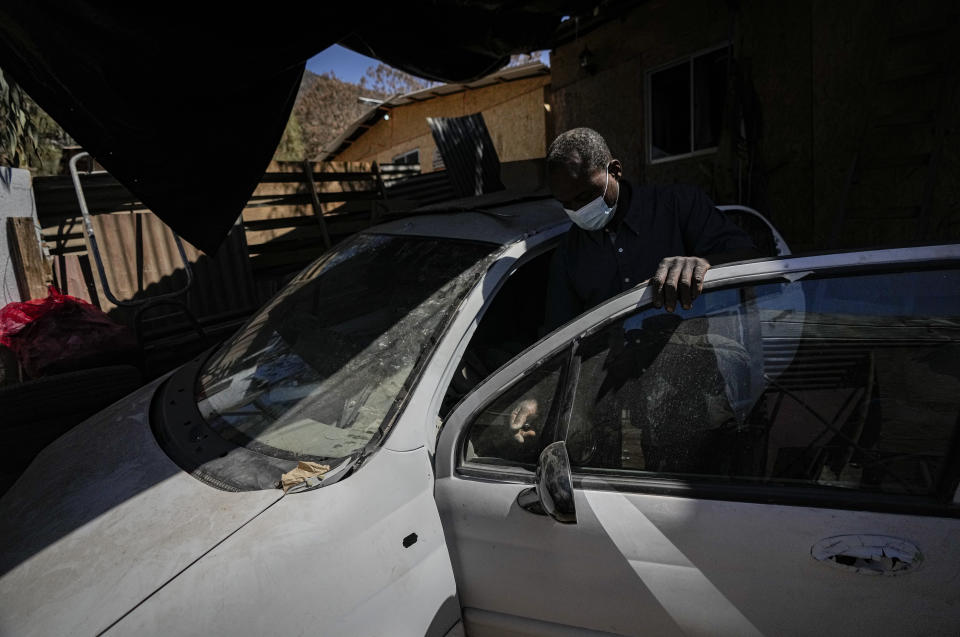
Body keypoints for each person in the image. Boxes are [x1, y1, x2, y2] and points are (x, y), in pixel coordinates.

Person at [507, 127, 756, 444]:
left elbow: (751, 257)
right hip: (615, 400)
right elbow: (559, 338)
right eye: (566, 204)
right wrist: (538, 396)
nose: (578, 210)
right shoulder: (570, 253)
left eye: (585, 196)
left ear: (615, 170)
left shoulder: (679, 206)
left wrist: (702, 264)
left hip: (694, 387)